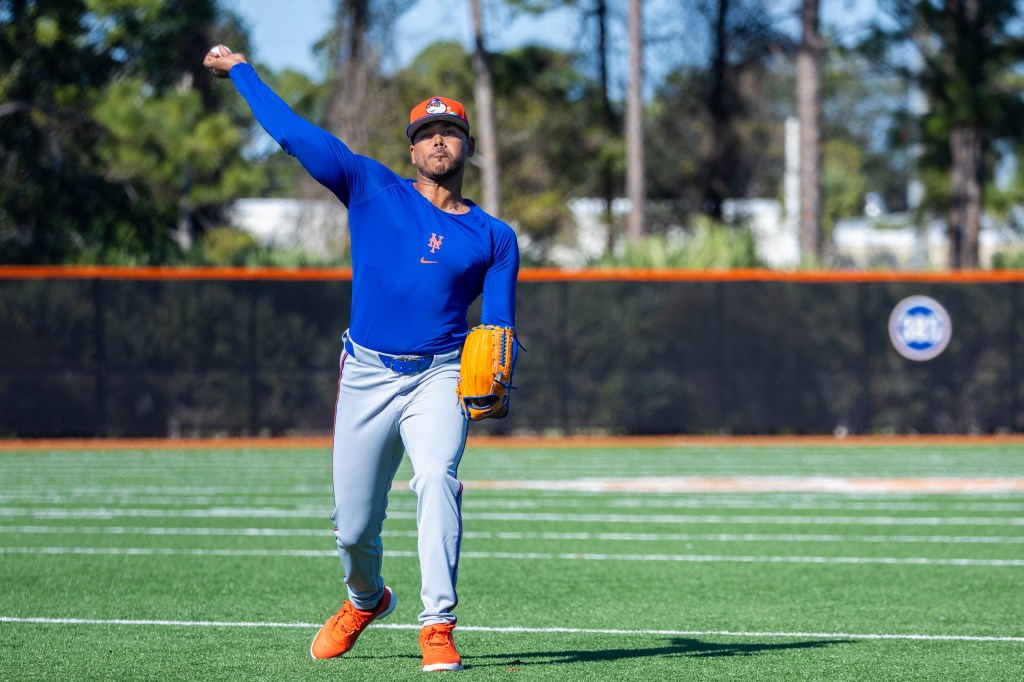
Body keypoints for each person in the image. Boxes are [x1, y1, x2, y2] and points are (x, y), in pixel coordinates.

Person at [203, 46, 519, 673]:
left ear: (467, 148)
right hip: (368, 373)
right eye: (426, 133)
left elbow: (500, 324)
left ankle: (438, 624)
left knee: (435, 478)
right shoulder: (370, 186)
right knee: (352, 527)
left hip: (439, 375)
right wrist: (241, 70)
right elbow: (294, 136)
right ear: (410, 149)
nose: (437, 141)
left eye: (449, 131)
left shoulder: (494, 235)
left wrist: (499, 373)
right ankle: (366, 599)